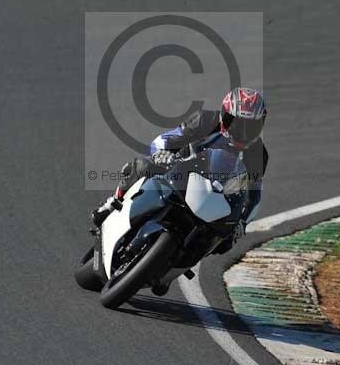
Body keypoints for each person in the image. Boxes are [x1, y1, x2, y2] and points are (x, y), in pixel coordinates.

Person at [92, 87, 268, 251]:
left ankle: (177, 265)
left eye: (251, 127)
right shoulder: (205, 120)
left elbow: (255, 196)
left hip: (216, 196)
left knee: (224, 242)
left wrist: (242, 224)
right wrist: (162, 153)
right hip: (180, 169)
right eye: (236, 124)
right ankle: (113, 202)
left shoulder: (257, 154)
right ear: (224, 115)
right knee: (142, 166)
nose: (243, 133)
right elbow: (166, 139)